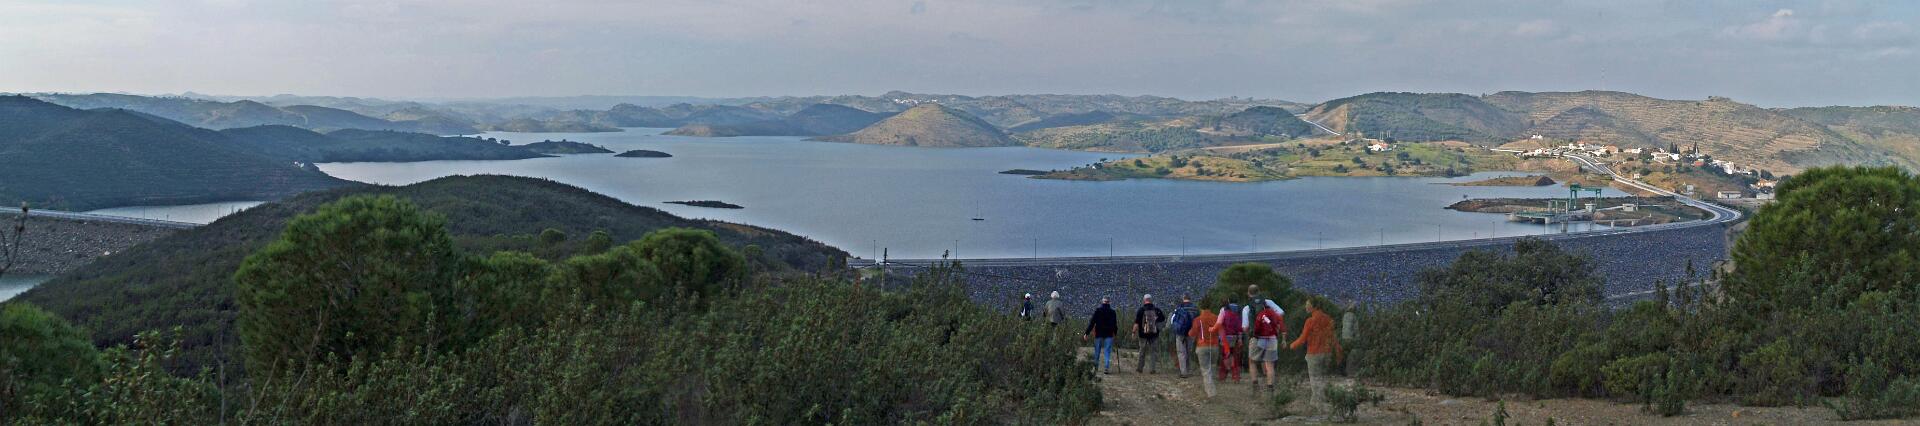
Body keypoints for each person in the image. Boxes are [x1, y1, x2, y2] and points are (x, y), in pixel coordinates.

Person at [1290, 298, 1343, 414]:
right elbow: (1333, 337)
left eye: (1307, 304)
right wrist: (1338, 351)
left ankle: (1319, 407)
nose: (1305, 306)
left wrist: (1292, 346)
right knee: (1322, 379)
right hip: (1327, 353)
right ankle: (1316, 405)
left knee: (1315, 380)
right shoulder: (1329, 319)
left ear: (1313, 306)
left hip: (1314, 353)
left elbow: (1303, 338)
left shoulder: (1310, 321)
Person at [1244, 285, 1287, 392]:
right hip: (1271, 337)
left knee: (1252, 361)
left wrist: (1250, 334)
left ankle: (1255, 386)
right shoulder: (1269, 302)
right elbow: (1281, 313)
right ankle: (1270, 388)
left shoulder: (1247, 307)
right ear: (1259, 291)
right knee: (1270, 364)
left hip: (1256, 337)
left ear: (1248, 293)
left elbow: (1245, 327)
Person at [1191, 301, 1222, 398]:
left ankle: (1211, 392)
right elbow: (1220, 331)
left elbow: (1192, 333)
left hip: (1202, 346)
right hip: (1214, 346)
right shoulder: (1216, 318)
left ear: (1201, 308)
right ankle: (1212, 387)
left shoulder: (1198, 319)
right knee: (1212, 366)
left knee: (1205, 370)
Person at [1083, 297, 1119, 374]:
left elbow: (1092, 323)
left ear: (1102, 302)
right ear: (1109, 302)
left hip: (1099, 333)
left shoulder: (1098, 311)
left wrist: (1087, 333)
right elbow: (1115, 324)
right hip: (1109, 334)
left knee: (1097, 351)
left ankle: (1095, 367)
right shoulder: (1112, 312)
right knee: (1107, 351)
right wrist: (1115, 333)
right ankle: (1106, 367)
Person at [1168, 295, 1201, 378]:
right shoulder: (1195, 309)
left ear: (1183, 299)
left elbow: (1172, 321)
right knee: (1189, 351)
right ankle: (1189, 370)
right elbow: (1198, 322)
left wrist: (1175, 330)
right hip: (1191, 333)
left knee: (1181, 352)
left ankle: (1183, 372)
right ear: (1190, 299)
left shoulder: (1179, 308)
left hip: (1180, 333)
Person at [1133, 294, 1166, 374]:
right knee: (1153, 352)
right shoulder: (1157, 310)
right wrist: (1159, 328)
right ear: (1151, 300)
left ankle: (1140, 368)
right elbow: (1162, 320)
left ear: (1144, 300)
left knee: (1142, 351)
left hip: (1143, 335)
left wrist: (1133, 332)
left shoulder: (1141, 310)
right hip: (1154, 334)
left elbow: (1136, 323)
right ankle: (1152, 369)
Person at [1216, 302, 1244, 382]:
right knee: (1234, 356)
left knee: (1225, 356)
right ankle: (1236, 376)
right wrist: (1240, 339)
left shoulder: (1223, 313)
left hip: (1225, 338)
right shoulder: (1237, 315)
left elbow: (1219, 324)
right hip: (1234, 337)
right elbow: (1239, 329)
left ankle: (1223, 377)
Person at [1341, 298, 1359, 377]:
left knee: (1344, 354)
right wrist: (1358, 338)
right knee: (1351, 355)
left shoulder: (1345, 316)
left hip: (1344, 337)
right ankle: (1350, 372)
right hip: (1351, 338)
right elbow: (1356, 329)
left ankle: (1343, 371)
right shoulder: (1354, 317)